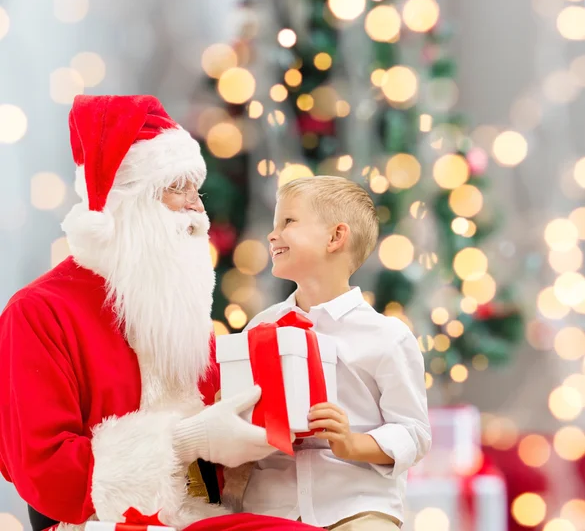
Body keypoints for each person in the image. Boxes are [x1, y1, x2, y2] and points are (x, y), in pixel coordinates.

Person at [0, 95, 321, 531]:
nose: (198, 208)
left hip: (208, 514)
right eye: (177, 188)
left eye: (197, 189)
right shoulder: (39, 313)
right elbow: (45, 474)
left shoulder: (174, 308)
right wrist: (187, 441)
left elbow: (224, 442)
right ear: (128, 201)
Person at [237, 176, 432, 530]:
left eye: (288, 222)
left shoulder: (387, 337)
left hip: (356, 507)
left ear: (335, 237)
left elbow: (413, 432)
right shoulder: (260, 329)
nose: (272, 234)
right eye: (274, 224)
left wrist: (352, 444)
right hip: (272, 508)